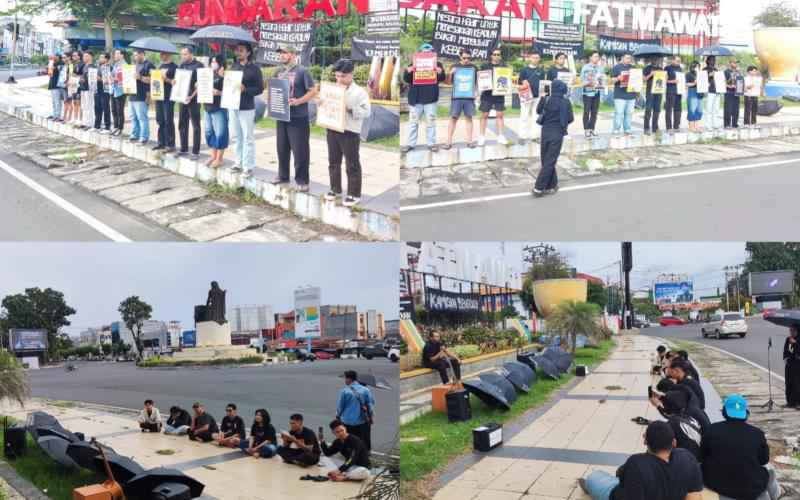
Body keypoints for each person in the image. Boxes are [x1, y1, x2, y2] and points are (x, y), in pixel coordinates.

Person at [579, 421, 703, 500]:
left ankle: (590, 485)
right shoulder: (687, 457)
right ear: (674, 442)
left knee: (594, 477)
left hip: (619, 493)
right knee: (621, 476)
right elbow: (695, 497)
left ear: (645, 441)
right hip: (636, 485)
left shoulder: (637, 464)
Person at [701, 394, 792, 499]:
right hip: (751, 489)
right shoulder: (758, 434)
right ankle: (776, 494)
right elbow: (764, 461)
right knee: (768, 468)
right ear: (745, 413)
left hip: (717, 485)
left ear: (724, 412)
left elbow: (703, 456)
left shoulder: (711, 430)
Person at [320, 59, 370, 207]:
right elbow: (326, 105)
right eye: (337, 76)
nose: (340, 79)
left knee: (352, 163)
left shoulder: (360, 92)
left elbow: (367, 112)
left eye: (343, 76)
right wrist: (320, 104)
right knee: (333, 161)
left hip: (350, 131)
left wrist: (349, 108)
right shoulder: (332, 89)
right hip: (333, 128)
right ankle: (335, 189)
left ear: (351, 74)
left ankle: (354, 193)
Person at [271, 44, 317, 192]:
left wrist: (298, 101)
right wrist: (270, 98)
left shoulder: (302, 71)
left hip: (298, 117)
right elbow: (275, 90)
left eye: (285, 53)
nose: (282, 56)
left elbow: (313, 91)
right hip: (282, 116)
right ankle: (283, 175)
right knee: (282, 148)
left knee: (300, 150)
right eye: (280, 53)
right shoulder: (278, 72)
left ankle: (302, 180)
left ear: (293, 54)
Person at [532, 79, 573, 198]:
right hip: (558, 134)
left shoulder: (546, 99)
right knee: (550, 161)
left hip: (545, 133)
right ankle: (539, 188)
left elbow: (538, 111)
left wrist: (542, 98)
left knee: (546, 160)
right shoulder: (566, 102)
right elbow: (571, 118)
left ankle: (552, 186)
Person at [228, 42, 264, 176]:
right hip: (233, 106)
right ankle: (238, 163)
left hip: (246, 108)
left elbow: (260, 88)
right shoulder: (234, 66)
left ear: (248, 52)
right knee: (236, 137)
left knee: (248, 138)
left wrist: (246, 89)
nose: (238, 53)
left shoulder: (255, 69)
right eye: (237, 50)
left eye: (241, 51)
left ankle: (248, 166)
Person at [401, 43, 445, 153]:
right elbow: (406, 79)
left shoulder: (437, 64)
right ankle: (410, 144)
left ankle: (431, 143)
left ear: (432, 53)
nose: (426, 54)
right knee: (413, 123)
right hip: (416, 100)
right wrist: (408, 71)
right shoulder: (413, 63)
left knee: (431, 122)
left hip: (431, 98)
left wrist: (440, 73)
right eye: (424, 53)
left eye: (429, 53)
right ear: (420, 53)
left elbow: (442, 78)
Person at [649, 391, 703, 461]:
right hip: (698, 461)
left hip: (685, 463)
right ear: (682, 407)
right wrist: (658, 406)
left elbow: (663, 448)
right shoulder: (690, 419)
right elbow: (673, 419)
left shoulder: (670, 424)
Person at [445, 49, 478, 149]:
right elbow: (448, 83)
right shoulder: (455, 67)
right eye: (464, 57)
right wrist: (450, 73)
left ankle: (470, 140)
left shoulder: (474, 67)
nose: (466, 59)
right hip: (457, 97)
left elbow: (476, 82)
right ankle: (449, 141)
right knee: (453, 118)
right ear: (460, 57)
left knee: (469, 118)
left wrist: (476, 91)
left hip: (469, 97)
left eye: (468, 58)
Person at [336, 370, 375, 451]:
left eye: (346, 378)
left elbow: (340, 406)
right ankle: (362, 454)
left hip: (348, 421)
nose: (345, 380)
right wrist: (370, 417)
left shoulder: (344, 391)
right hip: (361, 421)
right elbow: (370, 406)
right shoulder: (366, 390)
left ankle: (351, 455)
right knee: (360, 439)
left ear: (349, 379)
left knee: (349, 440)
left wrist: (338, 415)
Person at [177, 45, 204, 160]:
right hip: (182, 99)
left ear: (191, 54)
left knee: (195, 126)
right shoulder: (182, 65)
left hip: (193, 100)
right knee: (182, 124)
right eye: (182, 54)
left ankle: (195, 151)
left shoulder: (199, 65)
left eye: (185, 54)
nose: (183, 56)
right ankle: (183, 148)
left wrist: (192, 96)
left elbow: (202, 84)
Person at [478, 48, 509, 146]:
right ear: (491, 55)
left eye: (498, 54)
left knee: (500, 115)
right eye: (494, 54)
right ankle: (482, 136)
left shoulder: (504, 67)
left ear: (500, 55)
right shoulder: (485, 66)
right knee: (484, 115)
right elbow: (480, 79)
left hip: (499, 94)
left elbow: (507, 80)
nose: (496, 56)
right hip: (487, 94)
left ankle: (501, 136)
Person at [203, 53, 229, 169]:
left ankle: (220, 158)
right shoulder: (208, 74)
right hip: (207, 107)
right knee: (209, 131)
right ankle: (212, 155)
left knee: (220, 133)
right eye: (212, 61)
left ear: (221, 63)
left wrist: (219, 92)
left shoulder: (225, 76)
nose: (213, 64)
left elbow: (231, 93)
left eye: (215, 62)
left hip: (219, 107)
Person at [518, 51, 546, 144]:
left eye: (537, 58)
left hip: (537, 96)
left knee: (536, 116)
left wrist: (543, 95)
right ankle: (522, 137)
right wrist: (523, 81)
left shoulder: (541, 70)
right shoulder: (524, 69)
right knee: (524, 116)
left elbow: (543, 83)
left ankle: (535, 136)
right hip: (526, 96)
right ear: (530, 58)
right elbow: (519, 81)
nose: (535, 59)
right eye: (534, 57)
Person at [153, 51, 178, 151]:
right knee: (160, 120)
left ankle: (171, 144)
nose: (161, 56)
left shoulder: (174, 67)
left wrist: (166, 79)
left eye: (163, 54)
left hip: (168, 97)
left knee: (168, 120)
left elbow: (175, 82)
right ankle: (161, 142)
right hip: (159, 96)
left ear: (168, 54)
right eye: (160, 54)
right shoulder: (160, 67)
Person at [129, 49, 154, 145]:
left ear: (142, 54)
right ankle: (135, 134)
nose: (134, 57)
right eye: (134, 55)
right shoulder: (134, 66)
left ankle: (144, 136)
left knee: (142, 117)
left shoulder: (149, 65)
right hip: (132, 94)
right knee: (133, 117)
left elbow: (154, 79)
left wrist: (141, 78)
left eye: (136, 55)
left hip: (142, 95)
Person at [610, 53, 636, 138]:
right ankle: (616, 130)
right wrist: (618, 78)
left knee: (629, 113)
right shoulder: (616, 68)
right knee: (618, 113)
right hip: (619, 95)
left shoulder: (633, 68)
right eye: (626, 58)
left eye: (629, 58)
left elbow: (637, 80)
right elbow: (612, 80)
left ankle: (627, 130)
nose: (628, 60)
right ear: (622, 58)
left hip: (631, 95)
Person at [579, 51, 602, 139]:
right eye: (595, 56)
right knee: (586, 111)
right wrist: (589, 80)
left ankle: (592, 129)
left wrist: (601, 83)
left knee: (595, 112)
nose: (597, 58)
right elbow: (582, 79)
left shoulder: (600, 67)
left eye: (598, 56)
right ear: (591, 58)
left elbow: (602, 79)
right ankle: (586, 130)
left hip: (597, 92)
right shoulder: (585, 67)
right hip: (588, 92)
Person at [642, 56, 663, 135]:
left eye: (656, 59)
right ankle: (646, 128)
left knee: (657, 110)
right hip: (650, 92)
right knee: (648, 110)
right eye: (653, 59)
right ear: (650, 60)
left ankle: (655, 128)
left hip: (659, 92)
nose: (654, 61)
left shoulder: (660, 69)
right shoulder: (647, 68)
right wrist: (650, 74)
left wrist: (665, 76)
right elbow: (643, 79)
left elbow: (665, 80)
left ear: (658, 60)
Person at [92, 52, 112, 134]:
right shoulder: (98, 68)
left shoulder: (109, 68)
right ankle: (97, 125)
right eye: (99, 57)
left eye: (102, 57)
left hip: (105, 91)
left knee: (106, 108)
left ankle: (107, 127)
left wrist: (98, 78)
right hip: (97, 90)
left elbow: (108, 79)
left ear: (106, 59)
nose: (100, 59)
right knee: (97, 108)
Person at [110, 49, 128, 137]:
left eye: (117, 54)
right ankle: (116, 126)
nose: (115, 56)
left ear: (122, 55)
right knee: (114, 109)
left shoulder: (125, 65)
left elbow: (126, 78)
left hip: (121, 91)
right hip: (114, 89)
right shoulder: (116, 64)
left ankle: (120, 129)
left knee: (120, 110)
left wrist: (115, 79)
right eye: (115, 54)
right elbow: (113, 75)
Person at [664, 55, 683, 133]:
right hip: (670, 91)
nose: (679, 62)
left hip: (679, 91)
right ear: (672, 60)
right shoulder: (667, 68)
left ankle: (676, 126)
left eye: (679, 61)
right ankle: (669, 127)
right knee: (669, 109)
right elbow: (664, 81)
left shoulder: (680, 68)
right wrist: (672, 81)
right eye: (677, 61)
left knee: (678, 109)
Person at [78, 51, 96, 130]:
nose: (84, 57)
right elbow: (84, 77)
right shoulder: (85, 66)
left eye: (86, 56)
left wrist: (82, 79)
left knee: (89, 106)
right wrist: (78, 77)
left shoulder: (92, 67)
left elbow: (92, 79)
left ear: (91, 57)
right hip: (82, 88)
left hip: (89, 89)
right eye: (83, 56)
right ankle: (85, 122)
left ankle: (90, 123)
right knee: (83, 106)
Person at [783, 326, 800, 409]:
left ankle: (798, 403)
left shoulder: (798, 340)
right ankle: (790, 402)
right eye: (790, 330)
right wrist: (785, 358)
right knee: (788, 383)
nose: (791, 332)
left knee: (797, 384)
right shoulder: (788, 339)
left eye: (793, 330)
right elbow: (785, 350)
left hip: (797, 365)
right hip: (789, 365)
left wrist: (795, 343)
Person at [703, 55, 721, 131]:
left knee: (716, 109)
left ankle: (715, 124)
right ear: (708, 61)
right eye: (712, 60)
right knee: (709, 108)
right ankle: (708, 125)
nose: (714, 61)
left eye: (715, 60)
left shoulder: (716, 69)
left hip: (717, 91)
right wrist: (709, 75)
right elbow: (701, 78)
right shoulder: (705, 69)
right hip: (709, 91)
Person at [686, 61, 703, 133]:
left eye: (698, 66)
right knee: (692, 109)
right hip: (692, 91)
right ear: (692, 67)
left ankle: (696, 126)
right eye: (696, 66)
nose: (697, 68)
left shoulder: (700, 74)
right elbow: (687, 84)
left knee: (699, 109)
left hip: (700, 92)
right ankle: (691, 126)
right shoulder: (688, 74)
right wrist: (695, 83)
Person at [47, 51, 65, 121]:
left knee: (57, 101)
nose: (53, 56)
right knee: (54, 101)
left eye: (55, 55)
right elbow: (49, 71)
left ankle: (58, 115)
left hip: (57, 84)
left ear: (58, 56)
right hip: (52, 83)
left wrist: (52, 65)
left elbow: (57, 69)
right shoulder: (52, 62)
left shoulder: (61, 63)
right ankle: (55, 114)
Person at [723, 59, 741, 130]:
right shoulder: (726, 72)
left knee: (736, 110)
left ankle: (734, 124)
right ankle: (727, 124)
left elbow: (740, 81)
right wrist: (730, 86)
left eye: (736, 63)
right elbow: (723, 82)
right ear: (730, 63)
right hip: (729, 92)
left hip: (737, 93)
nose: (735, 64)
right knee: (728, 109)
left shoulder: (738, 72)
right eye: (734, 63)